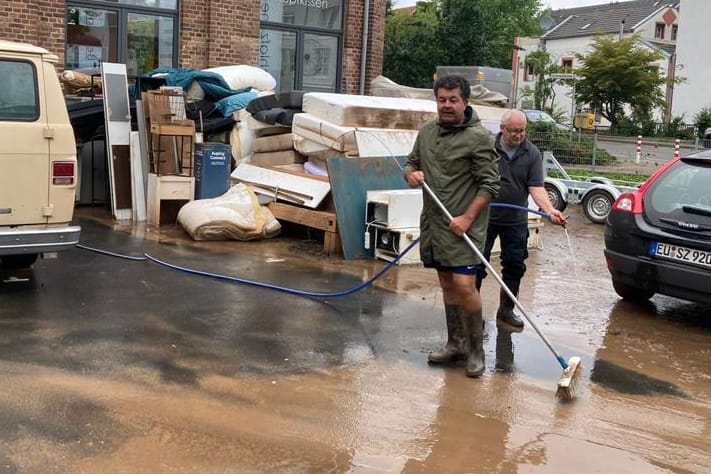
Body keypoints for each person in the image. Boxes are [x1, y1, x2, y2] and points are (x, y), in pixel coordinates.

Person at [404, 75, 500, 378]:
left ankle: (475, 351)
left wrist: (467, 219)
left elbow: (490, 185)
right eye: (442, 99)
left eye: (453, 99)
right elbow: (410, 163)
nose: (447, 105)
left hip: (464, 228)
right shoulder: (427, 133)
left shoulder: (480, 138)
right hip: (434, 225)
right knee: (446, 284)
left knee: (464, 286)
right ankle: (455, 344)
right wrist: (411, 175)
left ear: (466, 102)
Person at [476, 109, 567, 330]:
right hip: (484, 217)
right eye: (514, 131)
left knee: (515, 265)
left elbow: (536, 187)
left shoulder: (531, 153)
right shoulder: (487, 148)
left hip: (516, 219)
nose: (519, 135)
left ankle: (506, 311)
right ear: (502, 129)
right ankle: (472, 312)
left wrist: (549, 210)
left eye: (522, 131)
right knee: (476, 264)